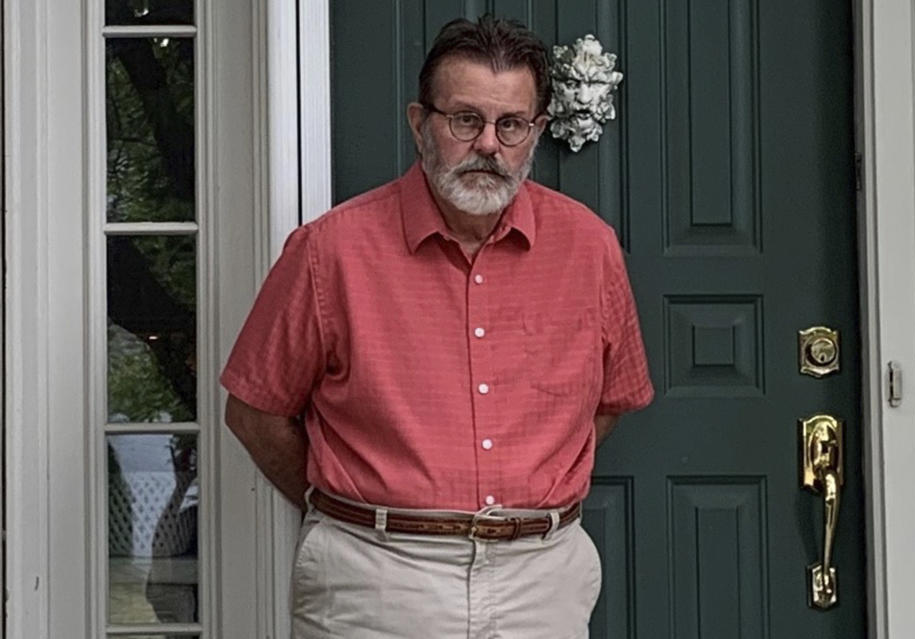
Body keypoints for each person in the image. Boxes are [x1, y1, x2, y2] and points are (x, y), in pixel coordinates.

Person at [221, 14, 653, 639]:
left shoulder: (589, 248)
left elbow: (612, 399)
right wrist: (356, 507)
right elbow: (254, 413)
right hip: (374, 578)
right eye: (465, 120)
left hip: (541, 580)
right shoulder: (329, 252)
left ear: (535, 133)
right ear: (420, 123)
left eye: (510, 125)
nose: (488, 145)